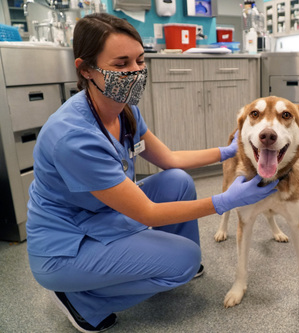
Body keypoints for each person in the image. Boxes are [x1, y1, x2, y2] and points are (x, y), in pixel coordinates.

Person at [26, 13, 278, 332]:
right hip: (65, 246)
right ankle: (83, 302)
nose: (134, 71)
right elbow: (148, 213)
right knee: (183, 261)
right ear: (86, 69)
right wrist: (225, 200)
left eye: (139, 60)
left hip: (100, 214)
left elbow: (170, 159)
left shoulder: (123, 108)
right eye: (120, 65)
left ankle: (157, 265)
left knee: (177, 181)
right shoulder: (73, 137)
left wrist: (227, 151)